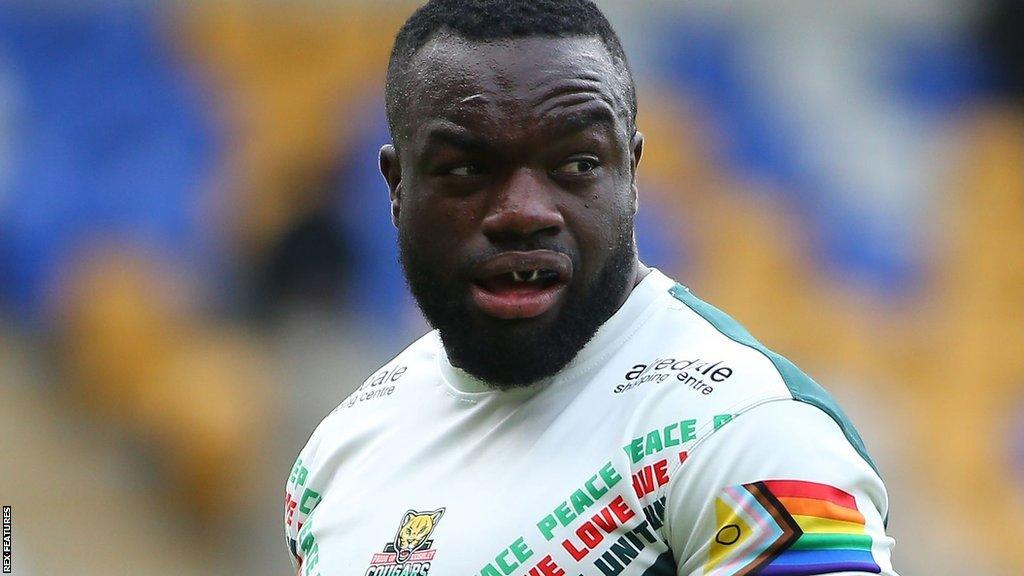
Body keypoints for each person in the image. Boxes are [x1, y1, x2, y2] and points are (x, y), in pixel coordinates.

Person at [284, 1, 899, 574]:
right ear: (396, 187)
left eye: (577, 164)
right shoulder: (337, 456)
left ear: (631, 173)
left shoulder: (744, 434)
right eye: (468, 168)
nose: (523, 212)